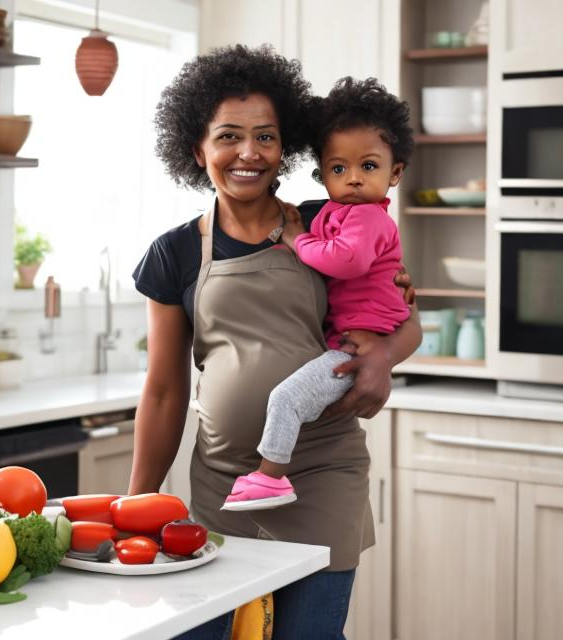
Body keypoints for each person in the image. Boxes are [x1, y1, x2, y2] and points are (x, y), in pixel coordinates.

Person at [130, 44, 421, 639]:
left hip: (322, 475)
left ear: (284, 148)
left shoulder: (331, 223)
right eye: (229, 136)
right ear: (198, 149)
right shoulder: (176, 252)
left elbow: (403, 315)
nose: (248, 153)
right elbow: (164, 391)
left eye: (265, 136)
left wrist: (385, 358)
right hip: (222, 485)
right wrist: (136, 502)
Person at [222, 77, 415, 512]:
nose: (352, 180)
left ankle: (270, 477)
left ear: (395, 173)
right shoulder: (329, 214)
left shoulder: (365, 218)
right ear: (321, 171)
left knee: (285, 399)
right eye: (338, 169)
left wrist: (295, 241)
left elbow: (349, 264)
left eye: (368, 167)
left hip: (351, 350)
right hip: (215, 472)